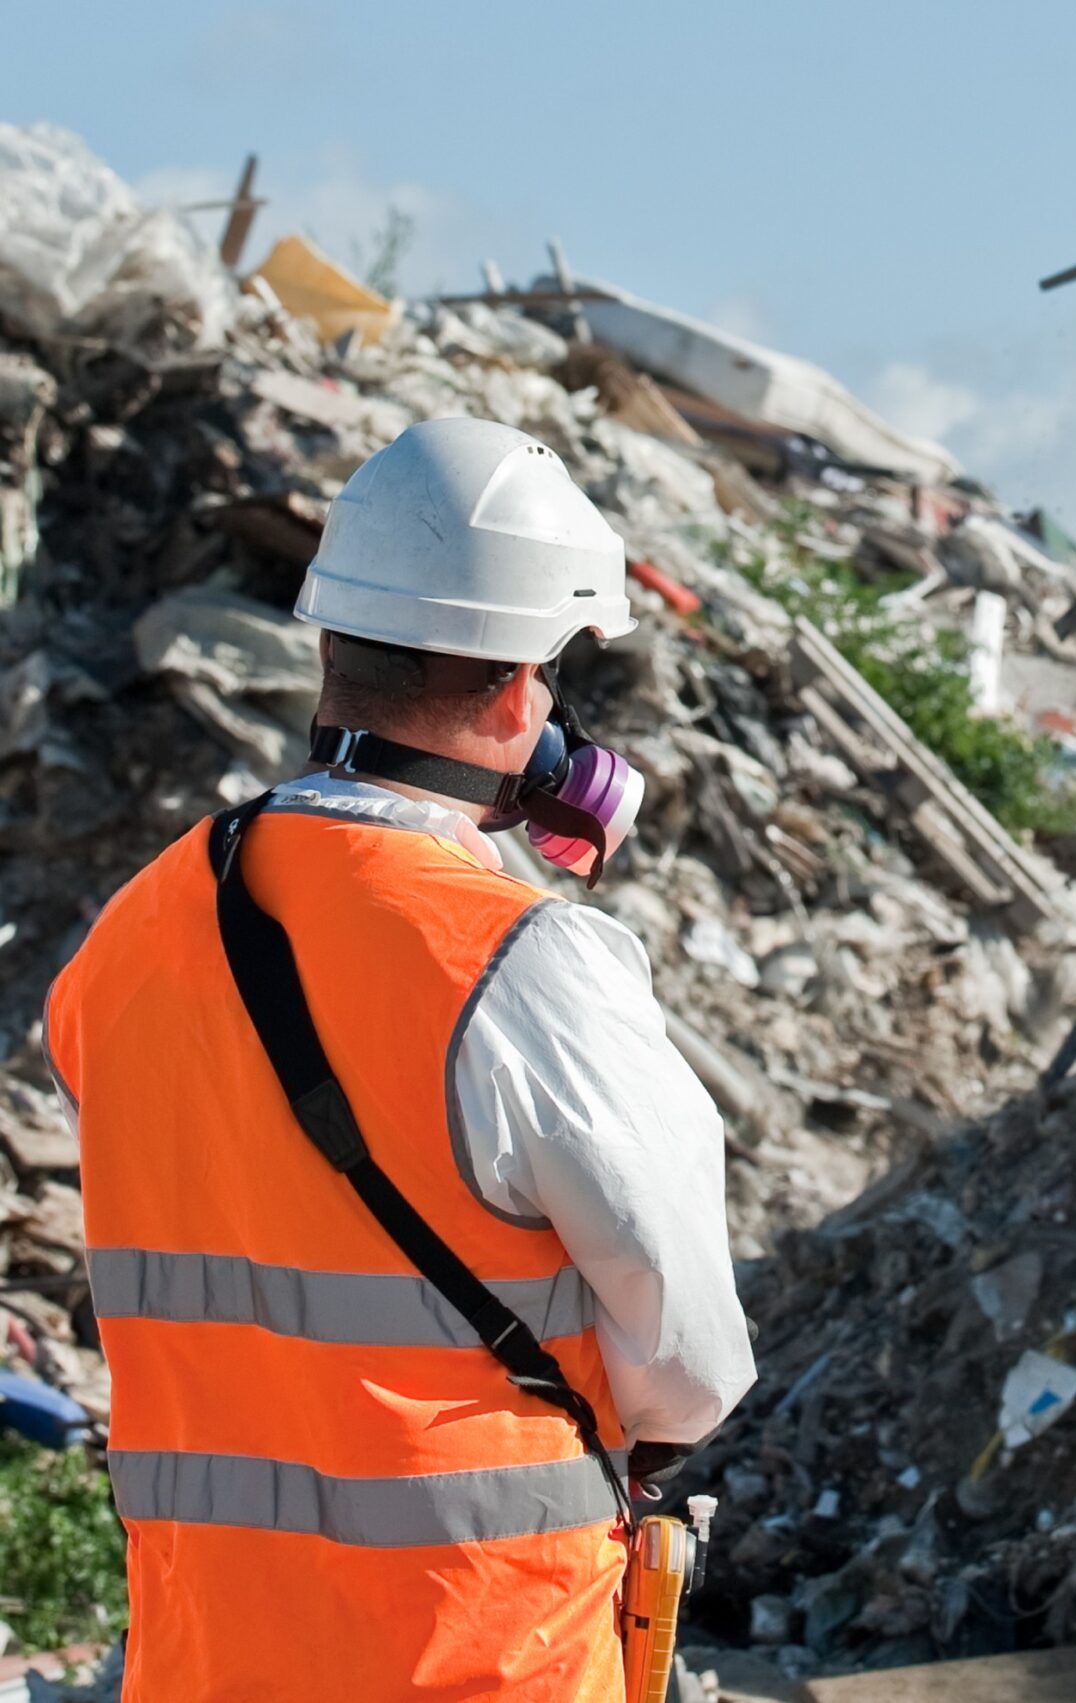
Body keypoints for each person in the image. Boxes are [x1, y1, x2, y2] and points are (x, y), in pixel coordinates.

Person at [45, 417, 754, 1701]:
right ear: (520, 690)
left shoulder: (136, 930)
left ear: (331, 647)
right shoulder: (525, 961)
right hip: (480, 1656)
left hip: (205, 1657)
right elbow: (690, 1367)